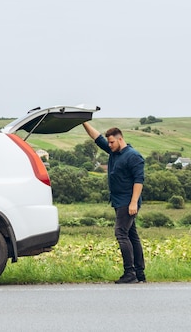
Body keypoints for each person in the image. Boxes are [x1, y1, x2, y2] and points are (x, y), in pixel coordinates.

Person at [82, 122, 146, 284]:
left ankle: (130, 273)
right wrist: (83, 121)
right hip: (118, 201)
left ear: (120, 139)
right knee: (132, 235)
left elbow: (139, 181)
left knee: (121, 233)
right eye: (108, 142)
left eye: (112, 142)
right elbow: (96, 137)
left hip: (127, 202)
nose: (109, 145)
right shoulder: (114, 152)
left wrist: (133, 203)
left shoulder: (133, 156)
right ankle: (139, 273)